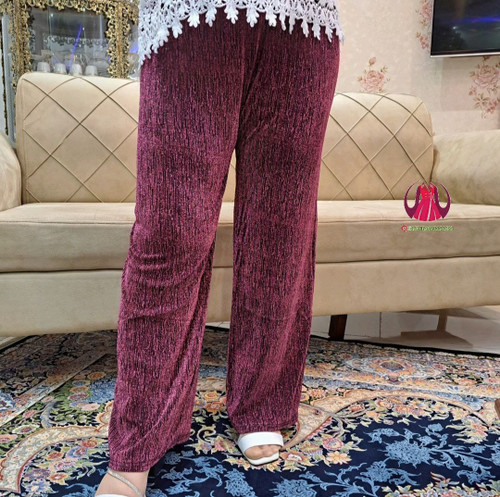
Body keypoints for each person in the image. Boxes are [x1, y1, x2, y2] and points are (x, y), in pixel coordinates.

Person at [95, 1, 343, 495]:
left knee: (281, 235)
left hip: (305, 24)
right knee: (170, 232)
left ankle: (263, 403)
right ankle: (140, 434)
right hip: (192, 17)